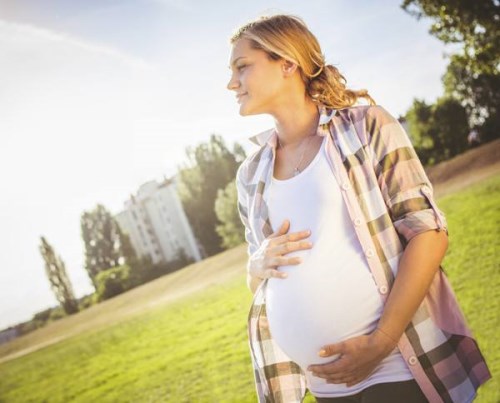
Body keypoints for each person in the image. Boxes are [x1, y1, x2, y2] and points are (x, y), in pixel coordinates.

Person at [227, 14, 491, 403]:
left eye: (242, 67)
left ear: (287, 62)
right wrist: (256, 265)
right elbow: (260, 283)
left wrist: (381, 342)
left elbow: (429, 234)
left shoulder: (367, 127)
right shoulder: (251, 174)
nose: (231, 83)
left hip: (398, 364)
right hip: (326, 386)